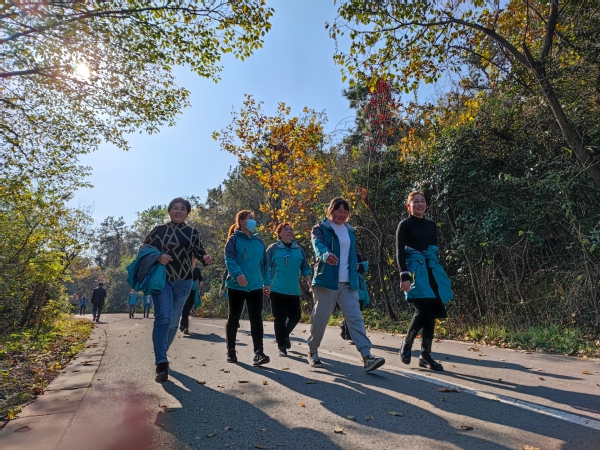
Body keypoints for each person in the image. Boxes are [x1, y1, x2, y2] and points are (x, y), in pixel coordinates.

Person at [307, 197, 385, 373]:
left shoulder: (349, 230)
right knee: (320, 319)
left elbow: (350, 254)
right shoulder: (321, 228)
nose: (342, 215)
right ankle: (312, 350)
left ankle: (367, 356)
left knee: (355, 318)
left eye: (345, 212)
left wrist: (358, 267)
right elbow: (317, 244)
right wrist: (325, 255)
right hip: (326, 281)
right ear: (331, 211)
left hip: (348, 282)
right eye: (338, 211)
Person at [144, 197, 212, 382]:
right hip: (162, 279)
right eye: (175, 208)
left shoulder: (192, 232)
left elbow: (199, 251)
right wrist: (158, 257)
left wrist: (205, 257)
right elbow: (144, 250)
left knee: (174, 322)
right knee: (163, 318)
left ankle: (161, 353)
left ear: (187, 213)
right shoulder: (159, 231)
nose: (179, 211)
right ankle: (161, 362)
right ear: (169, 211)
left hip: (184, 281)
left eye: (183, 209)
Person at [396, 191, 453, 371]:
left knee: (432, 311)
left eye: (423, 201)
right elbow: (400, 251)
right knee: (423, 308)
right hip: (414, 271)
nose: (420, 204)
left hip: (431, 271)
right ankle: (407, 343)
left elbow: (433, 248)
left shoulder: (431, 225)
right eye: (416, 202)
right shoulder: (405, 224)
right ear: (409, 206)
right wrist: (404, 275)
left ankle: (425, 355)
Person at [224, 210, 270, 366]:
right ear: (242, 222)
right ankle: (231, 350)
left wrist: (267, 282)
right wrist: (237, 274)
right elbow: (229, 259)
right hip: (236, 285)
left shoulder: (259, 242)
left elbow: (264, 264)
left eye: (253, 219)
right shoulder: (234, 240)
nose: (253, 221)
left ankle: (259, 353)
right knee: (234, 317)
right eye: (250, 218)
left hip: (255, 285)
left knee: (256, 318)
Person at [264, 222, 312, 357]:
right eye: (286, 229)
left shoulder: (299, 249)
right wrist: (265, 283)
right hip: (276, 288)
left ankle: (284, 335)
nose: (289, 231)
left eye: (291, 229)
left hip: (293, 289)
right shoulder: (273, 248)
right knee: (280, 317)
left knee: (296, 316)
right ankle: (282, 346)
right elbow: (265, 266)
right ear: (279, 233)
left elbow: (304, 267)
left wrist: (308, 279)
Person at [339, 253, 370, 345]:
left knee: (357, 312)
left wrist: (358, 267)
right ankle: (349, 336)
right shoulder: (339, 254)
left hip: (358, 288)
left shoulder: (355, 255)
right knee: (349, 311)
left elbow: (363, 269)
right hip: (346, 288)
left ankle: (344, 326)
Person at [179, 260, 205, 334]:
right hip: (184, 289)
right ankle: (185, 327)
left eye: (193, 258)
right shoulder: (183, 267)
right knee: (185, 307)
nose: (192, 260)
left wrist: (201, 282)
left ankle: (182, 325)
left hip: (193, 290)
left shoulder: (196, 269)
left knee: (188, 308)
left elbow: (200, 278)